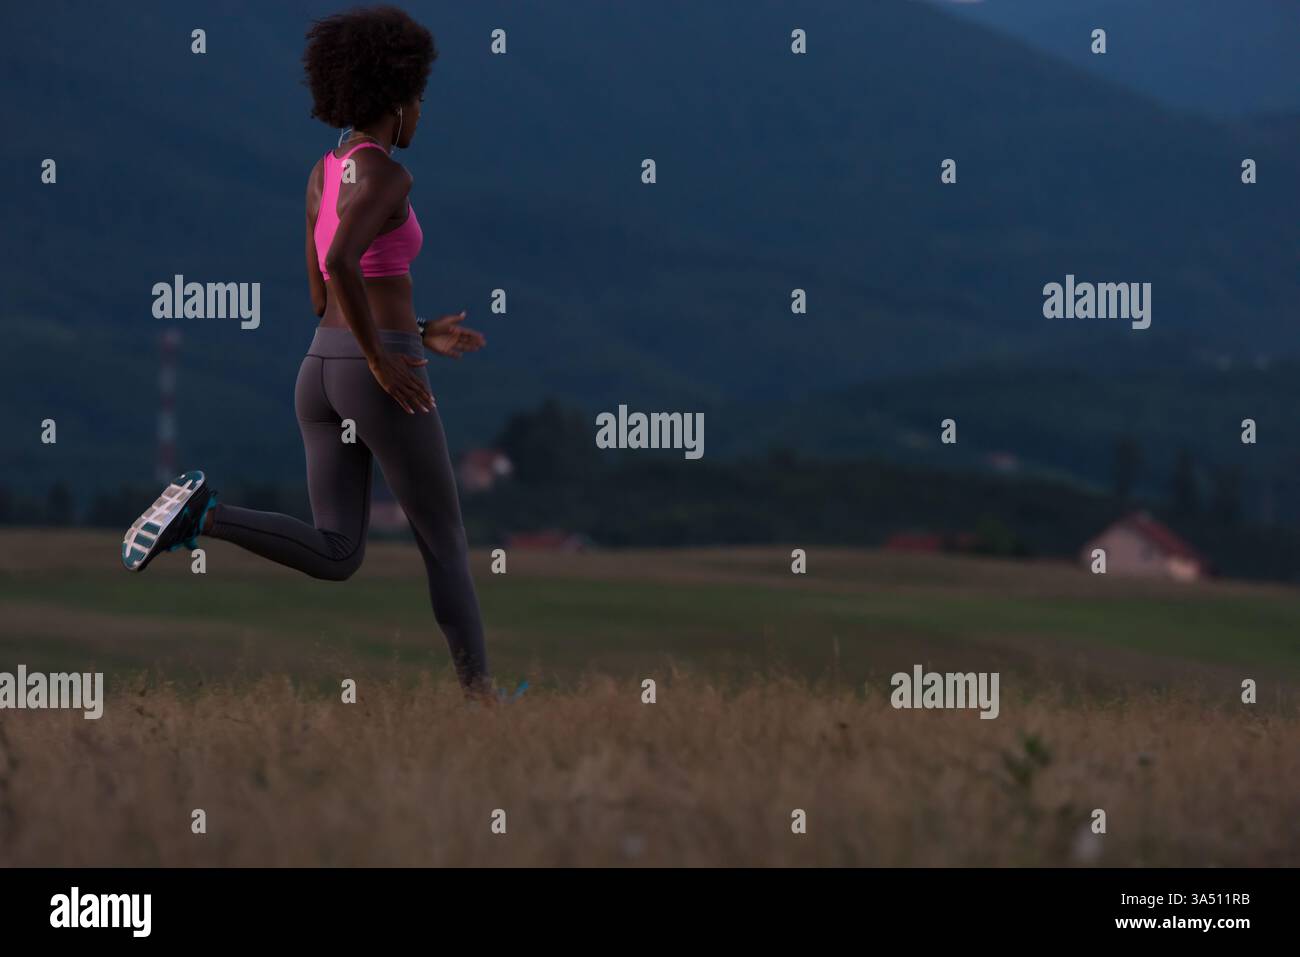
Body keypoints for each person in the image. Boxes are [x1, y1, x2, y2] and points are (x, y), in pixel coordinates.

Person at [121, 6, 493, 697]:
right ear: (397, 98)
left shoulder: (323, 172)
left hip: (318, 373)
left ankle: (203, 513)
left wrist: (423, 329)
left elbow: (321, 294)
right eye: (420, 101)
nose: (422, 116)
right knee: (445, 542)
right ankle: (483, 704)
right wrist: (386, 358)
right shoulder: (388, 176)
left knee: (339, 551)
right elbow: (343, 261)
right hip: (373, 372)